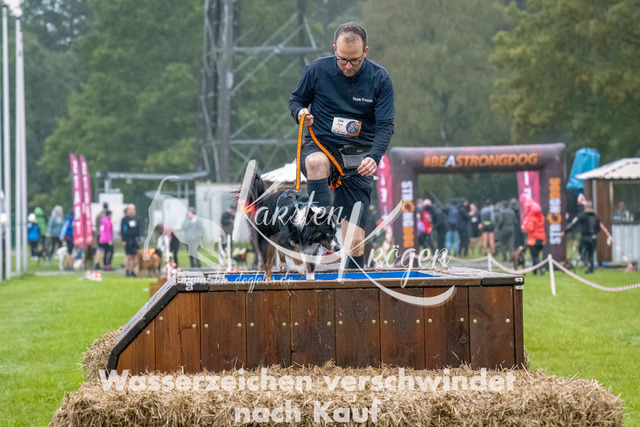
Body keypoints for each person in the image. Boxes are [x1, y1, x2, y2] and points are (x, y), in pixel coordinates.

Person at [289, 21, 395, 269]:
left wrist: (374, 157)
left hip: (359, 158)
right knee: (315, 162)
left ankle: (354, 283)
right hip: (322, 145)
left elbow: (385, 126)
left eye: (355, 61)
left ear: (365, 52)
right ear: (334, 49)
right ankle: (320, 232)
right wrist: (300, 113)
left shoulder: (380, 78)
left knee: (356, 242)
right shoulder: (317, 70)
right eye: (342, 59)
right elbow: (296, 100)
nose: (348, 66)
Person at [564, 200, 600, 273]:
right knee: (591, 254)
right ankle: (591, 269)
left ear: (585, 207)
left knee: (582, 252)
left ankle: (587, 263)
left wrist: (565, 231)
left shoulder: (582, 215)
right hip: (593, 238)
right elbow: (598, 228)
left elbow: (573, 224)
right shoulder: (596, 216)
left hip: (585, 237)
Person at [523, 199, 546, 275]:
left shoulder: (531, 218)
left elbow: (530, 228)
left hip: (532, 239)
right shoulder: (542, 217)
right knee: (537, 255)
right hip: (541, 239)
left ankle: (541, 268)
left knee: (534, 256)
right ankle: (534, 272)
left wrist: (525, 224)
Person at [121, 204, 140, 277]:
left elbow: (138, 230)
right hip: (128, 239)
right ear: (128, 210)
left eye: (134, 209)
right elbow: (123, 230)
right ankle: (127, 270)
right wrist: (124, 240)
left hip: (135, 240)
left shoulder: (136, 219)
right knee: (129, 256)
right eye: (131, 209)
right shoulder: (125, 220)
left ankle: (133, 270)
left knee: (135, 256)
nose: (133, 211)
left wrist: (138, 239)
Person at [94, 202, 109, 269]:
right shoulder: (106, 215)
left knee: (99, 248)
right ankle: (104, 263)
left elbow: (96, 224)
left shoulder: (98, 214)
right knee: (104, 249)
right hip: (104, 235)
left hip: (98, 233)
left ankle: (97, 262)